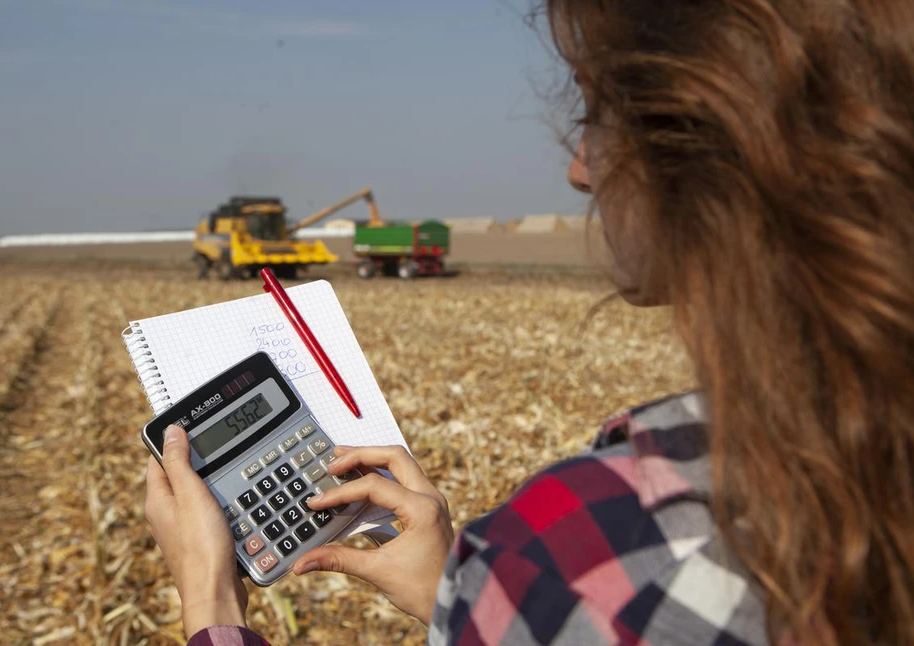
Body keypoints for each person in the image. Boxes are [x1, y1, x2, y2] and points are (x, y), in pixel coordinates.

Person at [144, 0, 914, 643]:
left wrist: (211, 598)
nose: (579, 167)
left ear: (707, 139)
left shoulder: (587, 552)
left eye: (598, 110)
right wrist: (461, 592)